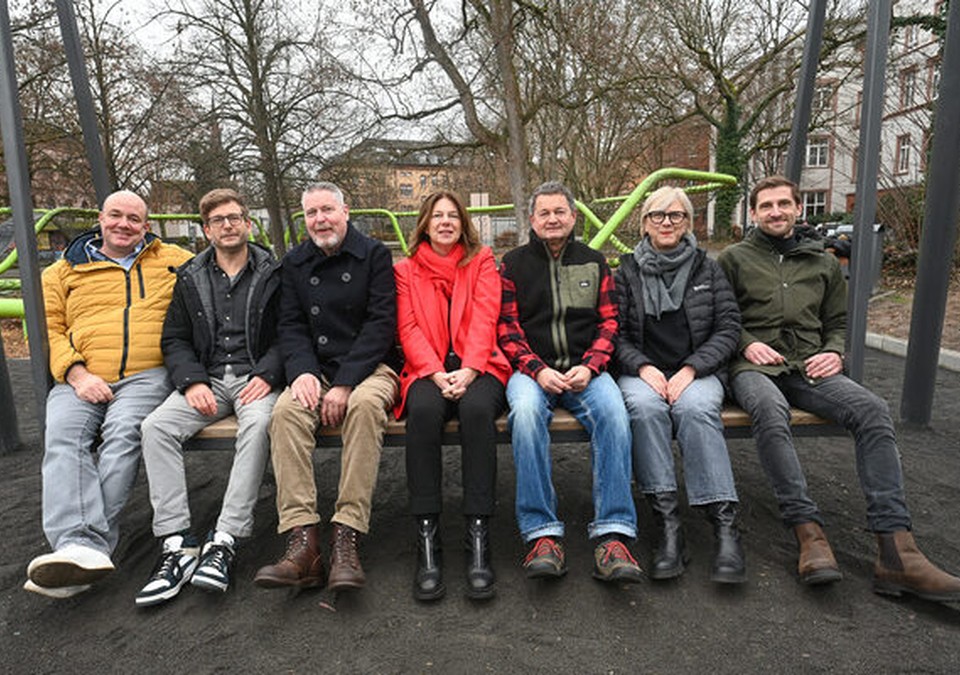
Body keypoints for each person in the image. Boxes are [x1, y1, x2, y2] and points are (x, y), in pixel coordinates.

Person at [718, 175, 960, 601]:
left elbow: (838, 323)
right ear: (753, 214)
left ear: (797, 208)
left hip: (809, 365)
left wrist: (835, 352)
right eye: (766, 206)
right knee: (770, 412)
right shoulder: (734, 260)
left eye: (783, 204)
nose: (775, 212)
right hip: (753, 368)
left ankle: (896, 548)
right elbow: (720, 320)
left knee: (871, 410)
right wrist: (747, 343)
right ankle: (808, 532)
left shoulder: (823, 263)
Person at [25, 190, 192, 598]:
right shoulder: (62, 272)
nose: (124, 225)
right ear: (100, 219)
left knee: (123, 435)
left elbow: (229, 262)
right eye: (115, 216)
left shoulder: (172, 261)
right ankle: (80, 546)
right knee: (63, 438)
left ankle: (83, 548)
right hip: (79, 374)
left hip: (146, 374)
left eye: (134, 219)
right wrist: (78, 374)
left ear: (146, 226)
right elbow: (49, 330)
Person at [134, 189, 282, 607]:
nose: (228, 225)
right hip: (209, 381)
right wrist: (192, 381)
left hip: (258, 378)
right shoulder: (190, 276)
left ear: (248, 224)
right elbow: (175, 338)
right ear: (206, 229)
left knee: (258, 424)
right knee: (156, 427)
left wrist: (270, 374)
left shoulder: (273, 272)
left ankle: (226, 538)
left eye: (235, 217)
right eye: (219, 220)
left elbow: (289, 332)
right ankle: (178, 541)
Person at [253, 182, 399, 593]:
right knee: (284, 413)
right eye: (311, 213)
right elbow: (291, 325)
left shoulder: (374, 254)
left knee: (367, 409)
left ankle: (347, 534)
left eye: (327, 210)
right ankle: (303, 541)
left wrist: (347, 383)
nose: (320, 220)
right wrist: (301, 372)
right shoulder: (295, 262)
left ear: (345, 211)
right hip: (315, 366)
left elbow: (380, 325)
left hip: (370, 367)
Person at [497, 181, 643, 584]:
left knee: (615, 414)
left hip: (585, 370)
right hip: (533, 371)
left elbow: (610, 322)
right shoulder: (512, 265)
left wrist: (592, 366)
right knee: (524, 414)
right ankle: (542, 534)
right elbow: (506, 327)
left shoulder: (595, 262)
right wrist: (536, 369)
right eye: (543, 213)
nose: (552, 219)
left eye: (559, 211)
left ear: (573, 216)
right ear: (531, 220)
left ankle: (613, 534)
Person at [615, 186, 745, 585]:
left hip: (697, 371)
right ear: (645, 224)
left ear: (688, 222)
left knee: (696, 409)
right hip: (643, 372)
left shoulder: (709, 268)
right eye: (657, 215)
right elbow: (614, 334)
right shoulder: (626, 270)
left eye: (675, 215)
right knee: (643, 409)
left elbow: (728, 328)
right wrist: (642, 367)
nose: (666, 222)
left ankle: (724, 526)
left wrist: (692, 368)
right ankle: (668, 523)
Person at [394, 191, 511, 601]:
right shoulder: (406, 270)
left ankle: (478, 534)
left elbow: (486, 314)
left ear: (463, 224)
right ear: (424, 223)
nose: (445, 222)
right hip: (429, 369)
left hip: (480, 366)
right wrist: (435, 372)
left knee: (478, 411)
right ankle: (427, 536)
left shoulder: (480, 262)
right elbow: (407, 327)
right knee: (423, 412)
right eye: (437, 216)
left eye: (453, 216)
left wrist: (471, 367)